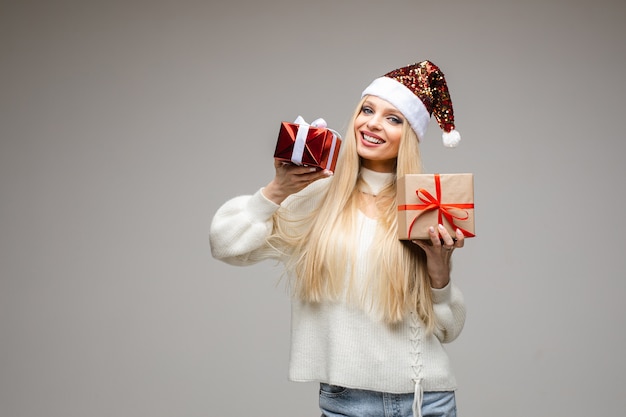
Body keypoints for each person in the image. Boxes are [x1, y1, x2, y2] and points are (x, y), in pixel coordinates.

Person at [209, 60, 467, 417]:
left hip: (427, 400)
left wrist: (440, 272)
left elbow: (447, 329)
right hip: (348, 403)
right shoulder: (317, 197)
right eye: (367, 109)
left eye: (393, 118)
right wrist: (276, 190)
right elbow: (224, 245)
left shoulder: (422, 205)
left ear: (409, 135)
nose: (373, 123)